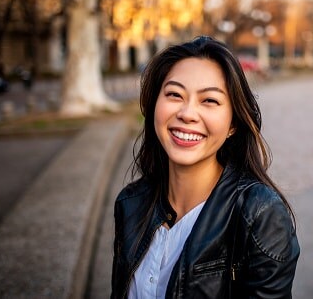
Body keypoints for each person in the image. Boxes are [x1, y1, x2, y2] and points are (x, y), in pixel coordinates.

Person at [111, 36, 300, 299]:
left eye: (209, 100)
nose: (187, 113)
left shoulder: (260, 215)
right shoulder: (131, 203)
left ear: (233, 124)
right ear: (154, 106)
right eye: (174, 94)